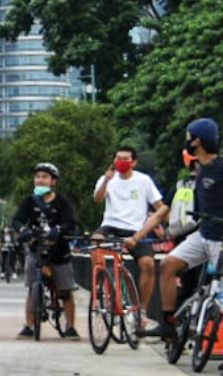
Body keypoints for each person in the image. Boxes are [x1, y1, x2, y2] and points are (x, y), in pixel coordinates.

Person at [158, 119, 223, 341]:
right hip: (203, 235)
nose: (186, 142)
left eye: (188, 137)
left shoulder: (220, 168)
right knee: (168, 265)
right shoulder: (200, 169)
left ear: (198, 141)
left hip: (221, 240)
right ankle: (167, 323)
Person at [93, 145, 168, 330]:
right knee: (95, 240)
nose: (121, 162)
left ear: (134, 162)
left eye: (125, 159)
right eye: (118, 158)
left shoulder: (143, 180)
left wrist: (162, 223)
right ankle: (100, 285)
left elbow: (159, 205)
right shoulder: (107, 179)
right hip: (111, 224)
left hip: (136, 229)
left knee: (148, 264)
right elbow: (98, 198)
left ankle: (141, 311)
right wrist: (105, 182)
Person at [12, 161, 79, 339]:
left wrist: (59, 230)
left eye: (45, 177)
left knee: (65, 290)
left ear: (53, 181)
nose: (40, 180)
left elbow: (70, 222)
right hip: (37, 249)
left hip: (58, 251)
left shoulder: (62, 202)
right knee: (32, 288)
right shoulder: (29, 201)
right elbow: (17, 220)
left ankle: (71, 327)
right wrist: (23, 231)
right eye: (37, 177)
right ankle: (29, 325)